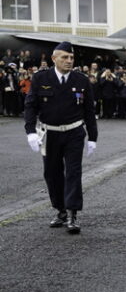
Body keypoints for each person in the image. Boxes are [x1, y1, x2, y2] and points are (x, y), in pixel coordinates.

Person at [23, 41, 98, 233]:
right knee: (52, 173)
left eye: (71, 57)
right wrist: (30, 131)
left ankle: (73, 213)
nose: (69, 61)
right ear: (54, 58)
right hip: (50, 134)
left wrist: (92, 137)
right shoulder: (41, 78)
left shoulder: (81, 80)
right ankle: (61, 210)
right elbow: (31, 106)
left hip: (74, 132)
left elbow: (89, 110)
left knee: (73, 172)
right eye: (65, 57)